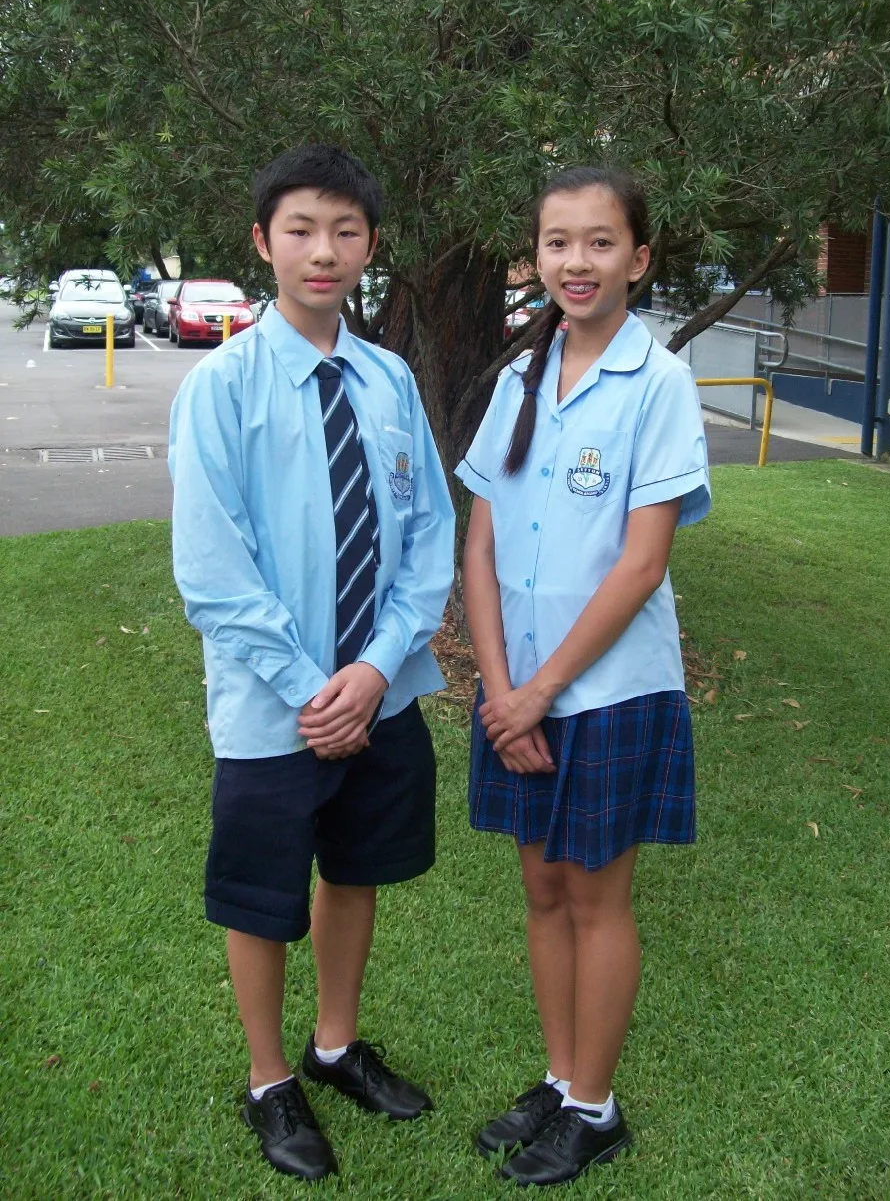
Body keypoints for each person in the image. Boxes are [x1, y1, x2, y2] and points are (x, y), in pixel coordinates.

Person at [168, 144, 454, 1183]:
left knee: (355, 866)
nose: (322, 250)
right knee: (261, 890)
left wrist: (375, 670)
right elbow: (211, 569)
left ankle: (335, 1046)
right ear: (263, 243)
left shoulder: (387, 381)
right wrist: (310, 690)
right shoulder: (223, 388)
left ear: (370, 245)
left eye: (344, 231)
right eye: (300, 229)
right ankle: (268, 1077)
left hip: (377, 694)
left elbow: (428, 538)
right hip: (272, 705)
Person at [457, 166, 711, 1187]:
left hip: (607, 691)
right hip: (513, 689)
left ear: (639, 260)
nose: (576, 261)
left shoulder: (658, 383)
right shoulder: (520, 377)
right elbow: (478, 545)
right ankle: (562, 1078)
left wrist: (536, 691)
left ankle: (595, 1107)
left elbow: (641, 563)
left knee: (598, 899)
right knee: (542, 885)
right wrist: (495, 682)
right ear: (536, 256)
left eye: (600, 242)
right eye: (557, 241)